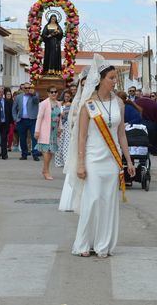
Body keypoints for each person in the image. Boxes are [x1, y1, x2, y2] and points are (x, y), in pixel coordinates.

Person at [70, 57, 135, 257]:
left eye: (115, 78)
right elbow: (82, 137)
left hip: (112, 159)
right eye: (111, 78)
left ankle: (102, 245)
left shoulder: (119, 104)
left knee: (108, 201)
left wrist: (128, 160)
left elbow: (121, 133)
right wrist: (81, 163)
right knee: (93, 199)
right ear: (100, 79)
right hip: (92, 156)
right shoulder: (87, 105)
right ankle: (83, 244)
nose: (115, 81)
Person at [59, 67, 90, 212]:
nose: (84, 87)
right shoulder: (77, 101)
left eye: (86, 84)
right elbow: (71, 120)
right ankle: (72, 199)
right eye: (82, 85)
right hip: (77, 137)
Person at [35, 86, 62, 180]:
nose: (54, 93)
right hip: (45, 131)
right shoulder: (44, 103)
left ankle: (45, 169)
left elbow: (60, 118)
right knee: (46, 152)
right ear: (48, 93)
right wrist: (37, 131)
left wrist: (60, 127)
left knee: (51, 153)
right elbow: (39, 117)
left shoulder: (58, 104)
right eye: (51, 92)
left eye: (55, 92)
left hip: (54, 132)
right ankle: (46, 171)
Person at [13, 83, 40, 161]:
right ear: (23, 89)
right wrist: (15, 118)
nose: (27, 89)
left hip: (32, 120)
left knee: (34, 138)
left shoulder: (35, 95)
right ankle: (24, 154)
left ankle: (35, 154)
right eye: (26, 88)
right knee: (22, 138)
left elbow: (36, 101)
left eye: (29, 87)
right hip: (21, 120)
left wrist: (33, 94)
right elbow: (14, 108)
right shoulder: (18, 97)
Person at [55, 90, 73, 168]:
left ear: (71, 97)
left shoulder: (72, 104)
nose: (67, 98)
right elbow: (56, 114)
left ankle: (66, 162)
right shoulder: (60, 104)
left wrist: (63, 114)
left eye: (68, 97)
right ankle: (59, 162)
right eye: (65, 96)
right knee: (59, 144)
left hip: (68, 125)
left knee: (66, 144)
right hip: (60, 125)